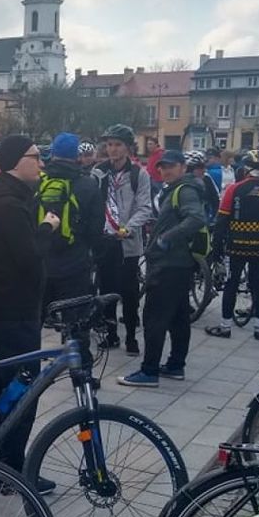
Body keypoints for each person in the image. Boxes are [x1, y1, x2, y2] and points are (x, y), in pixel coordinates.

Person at [0, 135, 59, 481]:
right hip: (13, 309)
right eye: (35, 157)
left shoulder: (6, 197)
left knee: (4, 384)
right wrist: (47, 227)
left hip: (7, 305)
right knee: (22, 388)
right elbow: (27, 257)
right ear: (15, 161)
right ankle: (11, 466)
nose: (41, 164)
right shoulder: (7, 205)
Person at [118, 149, 206, 387]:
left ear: (183, 167)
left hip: (170, 265)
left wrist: (166, 238)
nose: (165, 170)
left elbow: (196, 218)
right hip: (179, 264)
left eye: (171, 166)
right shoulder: (178, 189)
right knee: (178, 318)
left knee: (154, 318)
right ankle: (176, 365)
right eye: (162, 167)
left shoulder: (185, 190)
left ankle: (149, 371)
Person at [206, 149, 259, 341]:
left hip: (237, 246)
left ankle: (225, 326)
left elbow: (221, 222)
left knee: (232, 283)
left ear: (245, 168)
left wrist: (216, 249)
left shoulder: (234, 189)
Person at [39, 132, 104, 367]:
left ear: (53, 154)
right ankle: (82, 373)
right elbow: (97, 230)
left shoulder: (39, 183)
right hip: (75, 266)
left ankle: (27, 373)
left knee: (34, 322)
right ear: (76, 156)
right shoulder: (88, 185)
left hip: (42, 265)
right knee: (77, 325)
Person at [93, 124, 154, 356]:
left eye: (118, 145)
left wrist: (129, 228)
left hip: (128, 242)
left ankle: (130, 335)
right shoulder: (98, 172)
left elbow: (145, 207)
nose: (113, 149)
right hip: (106, 241)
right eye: (109, 145)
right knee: (106, 289)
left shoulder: (139, 174)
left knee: (129, 291)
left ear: (128, 148)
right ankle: (111, 334)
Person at [186, 149, 221, 222]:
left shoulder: (207, 178)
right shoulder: (178, 182)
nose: (204, 170)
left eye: (205, 167)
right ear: (189, 169)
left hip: (204, 220)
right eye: (201, 167)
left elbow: (215, 199)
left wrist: (214, 218)